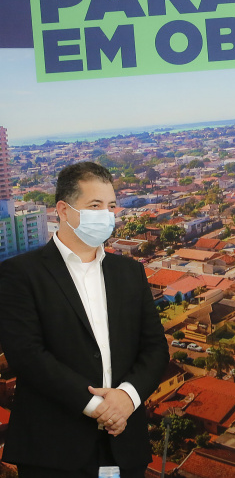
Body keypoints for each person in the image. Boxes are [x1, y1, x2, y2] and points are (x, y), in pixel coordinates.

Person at [0, 162, 169, 477]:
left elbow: (155, 348)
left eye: (111, 206)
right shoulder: (21, 274)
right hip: (53, 449)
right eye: (95, 206)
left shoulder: (129, 272)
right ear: (64, 211)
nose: (106, 215)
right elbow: (28, 356)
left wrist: (128, 399)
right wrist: (99, 408)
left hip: (125, 442)